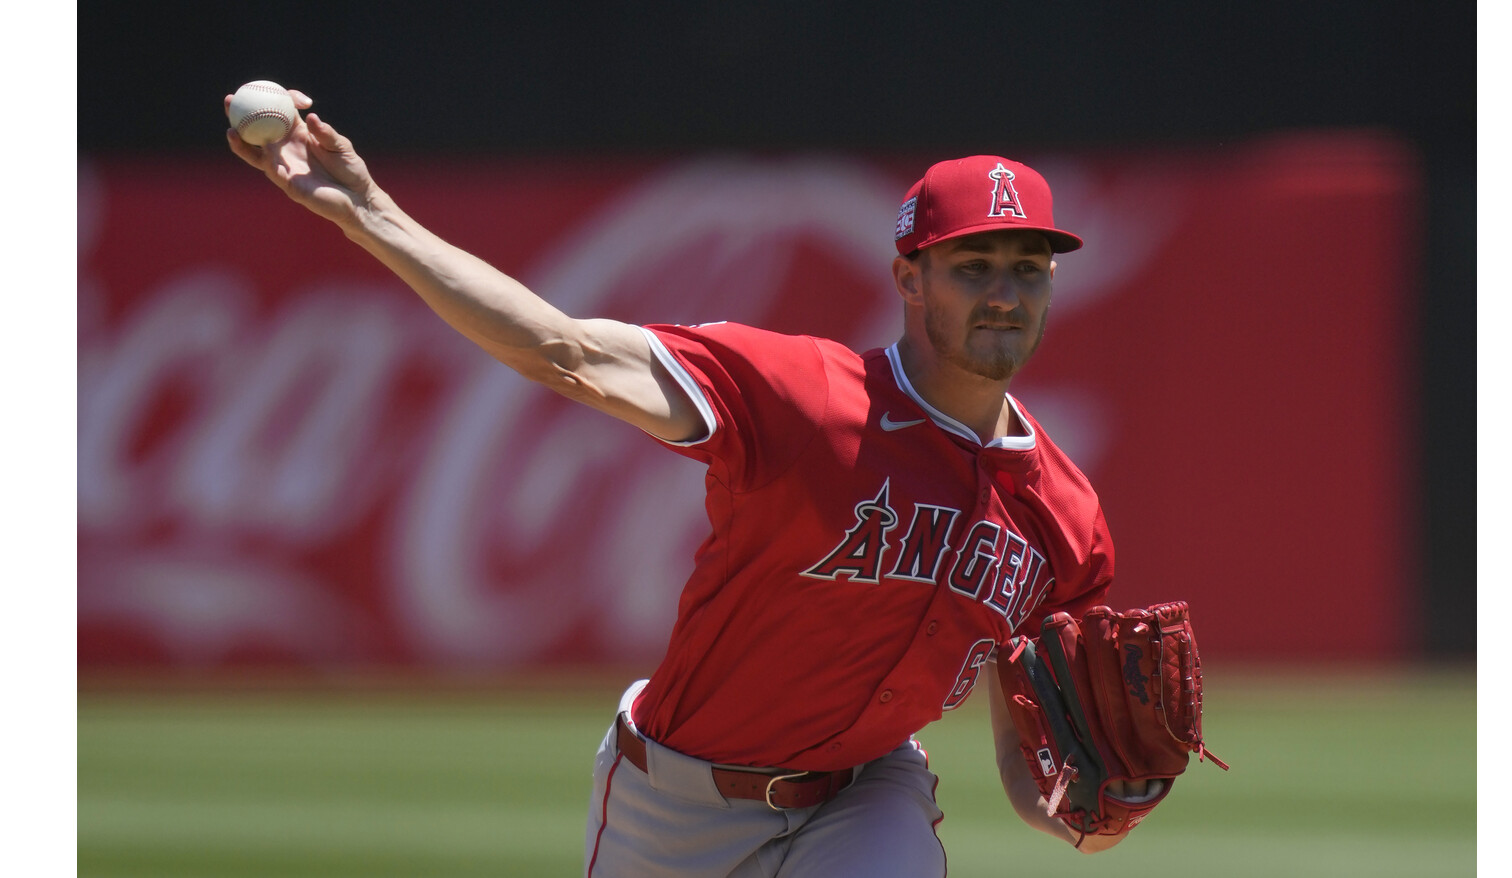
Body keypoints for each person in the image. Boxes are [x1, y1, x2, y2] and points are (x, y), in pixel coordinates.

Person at [226, 87, 1151, 877]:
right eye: (973, 266)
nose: (1004, 294)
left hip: (866, 795)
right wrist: (366, 212)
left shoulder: (1064, 518)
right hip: (675, 798)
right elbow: (566, 352)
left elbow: (1028, 760)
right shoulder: (801, 396)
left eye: (1029, 271)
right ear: (910, 279)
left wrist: (1103, 803)